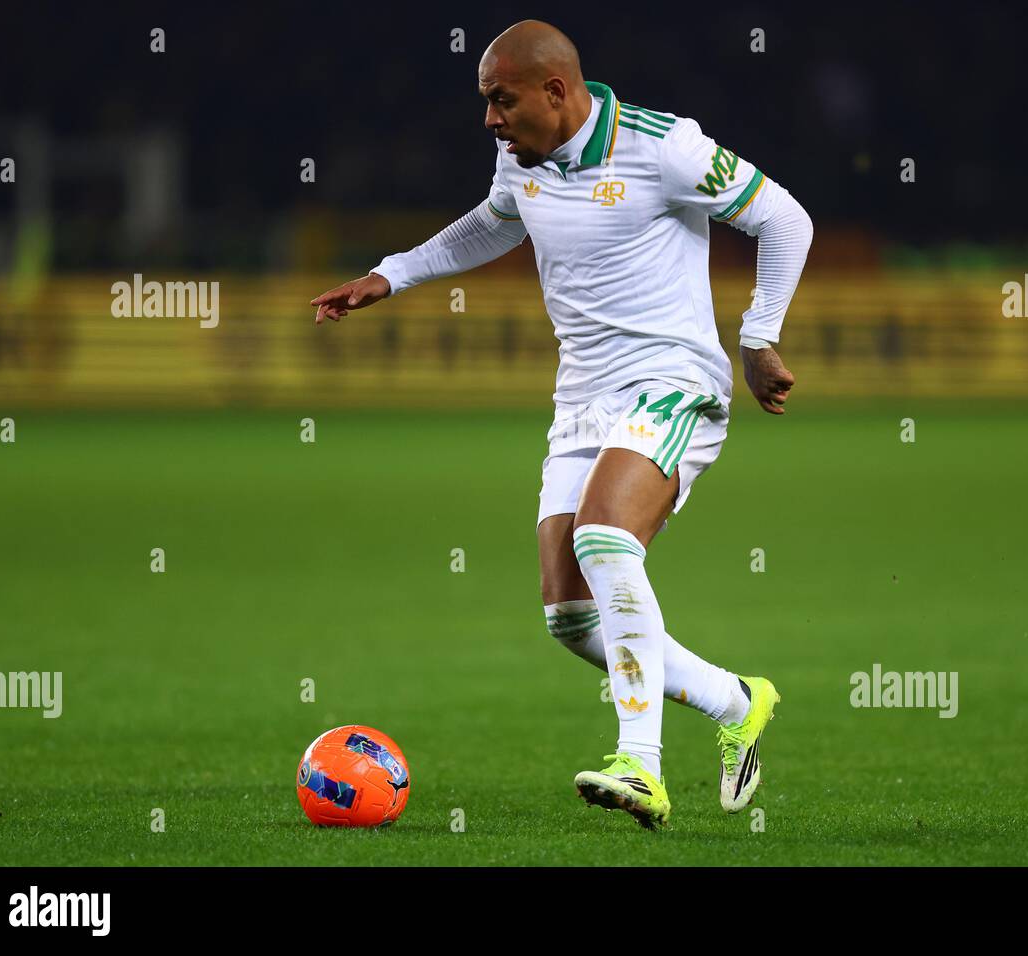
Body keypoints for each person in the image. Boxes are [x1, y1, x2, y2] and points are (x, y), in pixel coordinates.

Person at [310, 19, 813, 830]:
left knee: (604, 537)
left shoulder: (665, 148)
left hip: (673, 380)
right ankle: (736, 700)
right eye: (485, 103)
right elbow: (494, 219)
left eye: (500, 100)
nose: (490, 120)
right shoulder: (522, 158)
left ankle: (641, 767)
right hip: (583, 398)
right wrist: (390, 275)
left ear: (556, 90)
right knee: (571, 617)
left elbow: (785, 218)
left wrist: (758, 337)